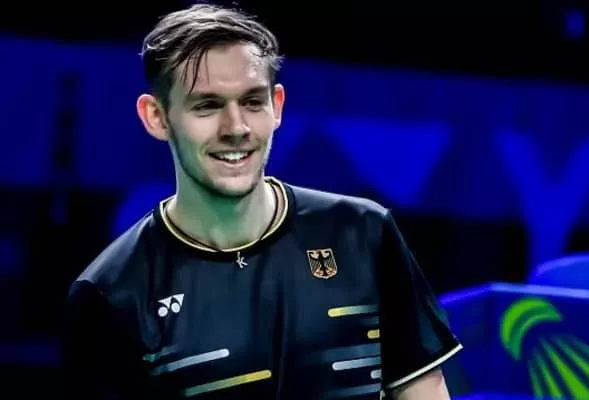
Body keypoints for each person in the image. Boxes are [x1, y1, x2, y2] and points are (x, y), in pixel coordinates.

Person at [62, 3, 463, 399]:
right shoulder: (111, 293)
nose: (236, 127)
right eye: (207, 105)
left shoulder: (364, 233)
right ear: (157, 116)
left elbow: (423, 390)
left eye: (253, 102)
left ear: (277, 106)